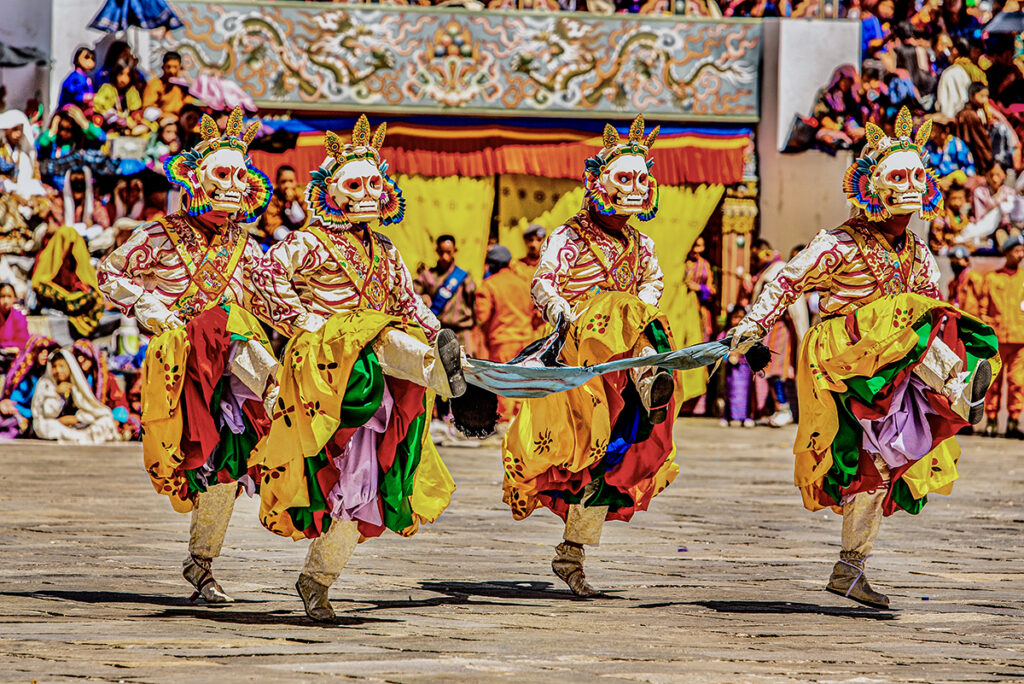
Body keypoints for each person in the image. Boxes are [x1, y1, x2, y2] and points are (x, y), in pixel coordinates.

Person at [730, 108, 998, 609]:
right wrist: (753, 325)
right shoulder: (839, 244)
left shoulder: (918, 251)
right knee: (909, 313)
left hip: (892, 373)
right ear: (870, 186)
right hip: (844, 357)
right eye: (899, 176)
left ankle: (849, 569)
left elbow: (930, 311)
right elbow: (787, 280)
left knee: (876, 465)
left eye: (919, 175)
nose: (913, 186)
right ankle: (958, 387)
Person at [97, 106, 316, 605]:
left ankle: (201, 565)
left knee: (225, 467)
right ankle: (280, 390)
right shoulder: (157, 235)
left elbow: (270, 300)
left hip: (232, 368)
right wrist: (156, 311)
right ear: (194, 180)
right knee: (224, 322)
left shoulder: (248, 245)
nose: (234, 184)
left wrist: (311, 323)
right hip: (180, 358)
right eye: (223, 174)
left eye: (242, 174)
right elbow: (110, 274)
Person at [261, 116, 463, 622]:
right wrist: (308, 323)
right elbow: (264, 279)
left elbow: (410, 303)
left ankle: (317, 580)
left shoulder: (387, 251)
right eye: (356, 184)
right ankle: (448, 378)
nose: (370, 193)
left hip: (378, 375)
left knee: (364, 487)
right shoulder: (307, 243)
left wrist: (436, 331)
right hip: (329, 369)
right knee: (377, 340)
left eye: (376, 182)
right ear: (330, 191)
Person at [502, 114, 684, 597]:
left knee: (610, 460)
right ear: (598, 181)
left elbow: (653, 282)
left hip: (624, 361)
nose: (636, 186)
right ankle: (650, 378)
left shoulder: (641, 242)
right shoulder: (570, 235)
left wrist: (642, 302)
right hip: (582, 354)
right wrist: (561, 310)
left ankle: (572, 552)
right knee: (584, 453)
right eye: (625, 177)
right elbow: (545, 281)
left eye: (642, 178)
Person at [743, 238, 807, 427]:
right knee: (769, 371)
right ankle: (779, 408)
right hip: (769, 330)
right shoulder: (770, 272)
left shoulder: (777, 271)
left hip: (781, 330)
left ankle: (784, 408)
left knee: (778, 371)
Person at [474, 244, 536, 422]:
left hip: (502, 341)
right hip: (526, 339)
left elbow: (482, 316)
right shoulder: (524, 282)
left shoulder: (489, 285)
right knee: (523, 381)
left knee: (503, 382)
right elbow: (536, 312)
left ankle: (503, 420)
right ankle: (520, 421)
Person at [979, 235, 1024, 440]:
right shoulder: (992, 278)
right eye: (1016, 251)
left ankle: (1014, 421)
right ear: (1006, 253)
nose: (1021, 255)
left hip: (1020, 339)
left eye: (1022, 251)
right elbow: (982, 308)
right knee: (993, 382)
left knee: (1017, 382)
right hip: (996, 338)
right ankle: (991, 420)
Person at [31, 224, 105, 339]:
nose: (69, 247)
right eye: (65, 242)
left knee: (93, 296)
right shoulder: (46, 256)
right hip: (57, 299)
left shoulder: (75, 258)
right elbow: (39, 283)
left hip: (73, 298)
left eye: (72, 244)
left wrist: (81, 289)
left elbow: (85, 280)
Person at [31, 349, 121, 444]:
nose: (58, 370)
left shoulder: (75, 382)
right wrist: (55, 393)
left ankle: (81, 435)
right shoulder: (45, 384)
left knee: (105, 420)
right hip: (54, 423)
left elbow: (87, 406)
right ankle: (80, 436)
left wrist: (77, 419)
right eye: (54, 366)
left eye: (61, 366)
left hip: (75, 423)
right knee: (47, 426)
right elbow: (48, 413)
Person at [415, 234, 477, 356]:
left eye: (448, 252)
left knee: (467, 368)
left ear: (455, 251)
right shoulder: (427, 276)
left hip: (462, 332)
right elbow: (410, 297)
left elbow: (474, 304)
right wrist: (421, 298)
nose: (445, 257)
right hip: (438, 332)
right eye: (441, 252)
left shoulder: (464, 278)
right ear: (437, 251)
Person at [72, 339, 139, 440]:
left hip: (105, 416)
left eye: (84, 355)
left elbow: (119, 402)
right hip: (83, 417)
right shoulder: (72, 378)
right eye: (77, 356)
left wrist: (116, 420)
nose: (81, 359)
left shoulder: (107, 378)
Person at [0, 335, 60, 438]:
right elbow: (13, 402)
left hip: (41, 416)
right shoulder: (24, 376)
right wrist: (24, 414)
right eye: (41, 351)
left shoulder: (51, 374)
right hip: (19, 415)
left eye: (47, 351)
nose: (45, 355)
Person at [719, 305, 754, 428]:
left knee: (746, 394)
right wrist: (729, 355)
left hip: (745, 369)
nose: (738, 320)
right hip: (730, 371)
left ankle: (746, 417)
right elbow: (719, 350)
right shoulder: (726, 334)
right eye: (735, 317)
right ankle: (727, 416)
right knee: (729, 393)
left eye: (741, 317)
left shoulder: (749, 334)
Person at [258, 165, 308, 246]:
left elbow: (306, 219)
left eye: (291, 181)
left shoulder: (301, 195)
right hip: (279, 236)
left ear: (295, 182)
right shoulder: (272, 198)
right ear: (277, 182)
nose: (287, 185)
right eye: (283, 181)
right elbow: (272, 226)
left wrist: (293, 202)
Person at [956, 83, 994, 173]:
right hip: (974, 154)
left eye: (986, 96)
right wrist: (988, 157)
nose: (985, 100)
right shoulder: (970, 115)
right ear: (971, 95)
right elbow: (979, 140)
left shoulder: (977, 111)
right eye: (981, 96)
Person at [684, 235, 716, 343]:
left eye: (699, 246)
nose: (696, 250)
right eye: (694, 246)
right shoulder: (682, 263)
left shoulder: (705, 265)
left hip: (699, 308)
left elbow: (711, 290)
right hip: (681, 308)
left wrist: (699, 288)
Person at [142, 51, 188, 117]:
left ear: (180, 68)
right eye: (168, 67)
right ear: (163, 67)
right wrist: (167, 116)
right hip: (161, 122)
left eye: (175, 67)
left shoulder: (182, 87)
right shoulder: (155, 84)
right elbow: (147, 110)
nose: (171, 71)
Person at [929, 182, 971, 253]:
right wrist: (953, 239)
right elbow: (937, 234)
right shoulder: (941, 215)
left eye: (960, 199)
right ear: (947, 199)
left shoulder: (963, 216)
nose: (957, 202)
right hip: (943, 248)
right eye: (953, 198)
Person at [947, 246, 983, 319]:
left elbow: (983, 301)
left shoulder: (975, 279)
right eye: (952, 260)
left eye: (957, 260)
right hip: (958, 320)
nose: (954, 263)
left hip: (973, 321)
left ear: (967, 261)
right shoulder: (952, 284)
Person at [57, 47, 96, 111]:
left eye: (92, 59)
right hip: (68, 112)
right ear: (77, 58)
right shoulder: (76, 77)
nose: (90, 61)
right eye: (86, 58)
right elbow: (76, 96)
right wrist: (91, 97)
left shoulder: (85, 78)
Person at [0, 282, 29, 353]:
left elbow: (23, 343)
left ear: (14, 299)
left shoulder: (19, 317)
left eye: (9, 296)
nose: (5, 301)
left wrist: (4, 348)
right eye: (2, 296)